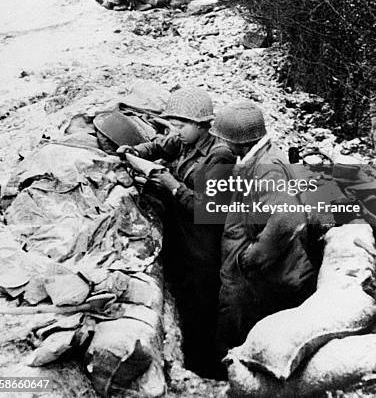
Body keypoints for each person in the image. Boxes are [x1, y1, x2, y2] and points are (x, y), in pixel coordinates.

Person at [122, 87, 236, 378]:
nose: (177, 131)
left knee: (201, 306)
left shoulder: (219, 155)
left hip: (203, 246)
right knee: (183, 300)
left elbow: (212, 210)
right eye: (175, 124)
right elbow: (160, 145)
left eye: (182, 125)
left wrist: (171, 184)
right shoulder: (184, 141)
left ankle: (208, 367)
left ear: (201, 125)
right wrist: (136, 152)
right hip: (180, 237)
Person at [211, 100, 317, 361]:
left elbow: (287, 218)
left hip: (273, 274)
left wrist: (253, 256)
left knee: (248, 326)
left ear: (241, 142)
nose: (221, 144)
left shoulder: (266, 169)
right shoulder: (257, 159)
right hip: (265, 271)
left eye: (225, 140)